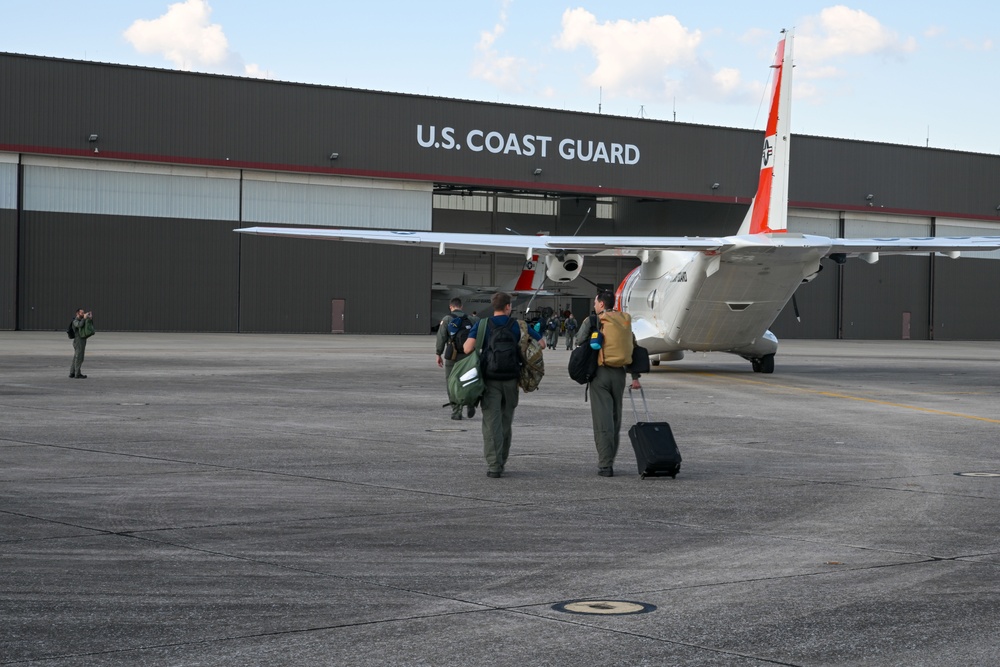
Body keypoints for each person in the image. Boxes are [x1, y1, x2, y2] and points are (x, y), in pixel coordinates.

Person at [463, 292, 545, 478]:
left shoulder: (482, 324)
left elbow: (467, 348)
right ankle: (502, 459)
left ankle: (494, 466)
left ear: (494, 306)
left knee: (492, 423)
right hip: (511, 380)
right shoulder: (518, 325)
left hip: (490, 381)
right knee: (506, 422)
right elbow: (542, 343)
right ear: (508, 307)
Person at [575, 291, 641, 477]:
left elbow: (579, 340)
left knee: (603, 420)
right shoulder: (624, 321)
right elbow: (634, 347)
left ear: (602, 304)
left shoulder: (594, 320)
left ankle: (605, 464)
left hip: (601, 374)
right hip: (620, 375)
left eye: (596, 302)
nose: (595, 305)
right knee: (615, 418)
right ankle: (610, 458)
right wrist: (635, 377)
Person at [435, 297, 475, 420]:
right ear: (461, 307)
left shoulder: (447, 319)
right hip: (468, 355)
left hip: (452, 355)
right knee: (468, 380)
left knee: (452, 383)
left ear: (451, 307)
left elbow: (441, 337)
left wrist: (438, 354)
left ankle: (457, 411)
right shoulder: (472, 319)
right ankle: (471, 402)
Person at [69, 308, 93, 379]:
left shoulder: (82, 320)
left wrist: (90, 319)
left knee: (75, 358)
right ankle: (77, 374)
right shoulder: (75, 321)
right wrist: (84, 319)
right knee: (79, 358)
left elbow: (88, 327)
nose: (83, 314)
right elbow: (79, 325)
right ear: (77, 313)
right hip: (78, 341)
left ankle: (72, 372)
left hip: (82, 340)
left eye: (83, 313)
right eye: (81, 313)